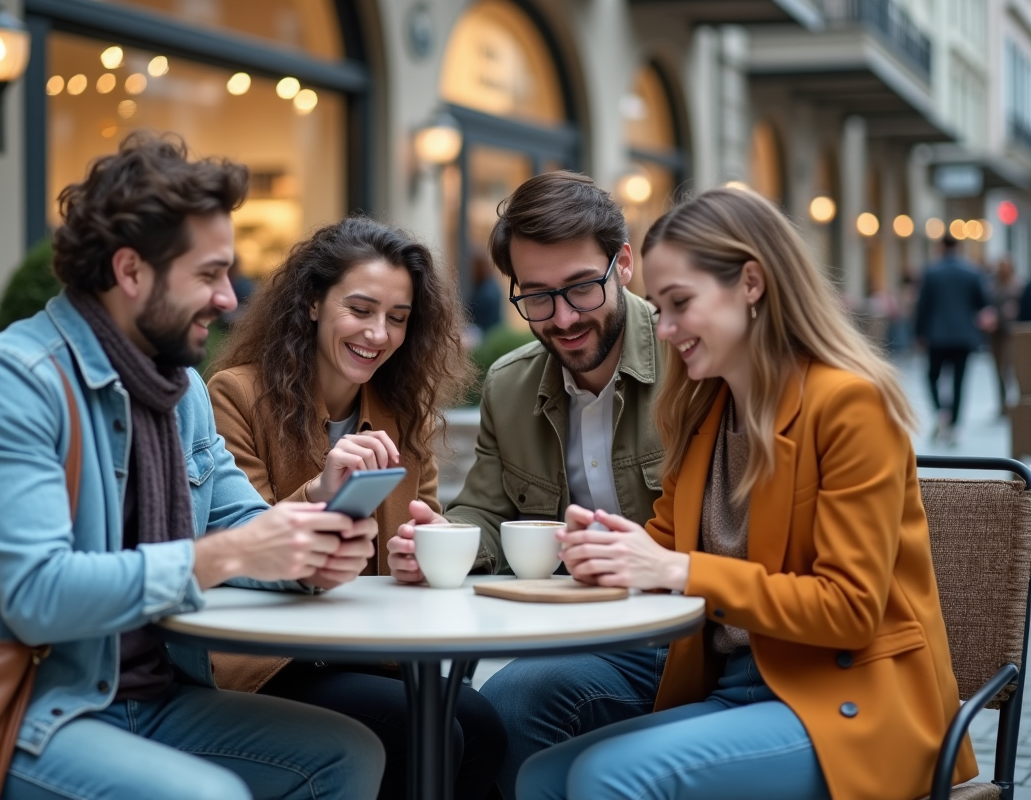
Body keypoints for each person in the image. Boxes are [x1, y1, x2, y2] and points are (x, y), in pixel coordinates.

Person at [0, 133, 386, 800]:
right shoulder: (13, 382)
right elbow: (37, 597)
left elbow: (239, 525)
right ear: (131, 271)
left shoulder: (178, 388)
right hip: (13, 712)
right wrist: (228, 554)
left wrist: (309, 546)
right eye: (209, 274)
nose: (230, 297)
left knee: (346, 753)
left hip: (154, 696)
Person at [517, 187, 976, 800]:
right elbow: (665, 544)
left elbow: (849, 609)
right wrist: (602, 548)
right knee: (541, 776)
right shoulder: (705, 409)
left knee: (609, 776)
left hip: (851, 703)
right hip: (739, 687)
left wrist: (678, 569)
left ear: (752, 284)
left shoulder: (848, 405)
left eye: (680, 304)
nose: (666, 328)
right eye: (659, 307)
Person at [386, 171, 669, 799]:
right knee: (466, 713)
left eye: (580, 289)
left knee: (513, 700)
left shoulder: (693, 364)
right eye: (536, 296)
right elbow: (483, 510)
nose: (562, 318)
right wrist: (440, 538)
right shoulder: (511, 384)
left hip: (690, 634)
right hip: (582, 638)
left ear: (623, 264)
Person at [203, 216, 500, 800]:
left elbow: (424, 525)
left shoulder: (403, 412)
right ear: (313, 302)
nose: (379, 334)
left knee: (484, 725)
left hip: (370, 651)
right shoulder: (236, 395)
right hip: (273, 660)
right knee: (427, 730)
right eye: (360, 310)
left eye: (397, 317)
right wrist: (319, 491)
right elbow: (238, 543)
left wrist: (424, 552)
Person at [915, 234, 991, 442]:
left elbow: (922, 307)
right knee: (959, 382)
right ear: (959, 247)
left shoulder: (931, 272)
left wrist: (919, 334)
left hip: (936, 336)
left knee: (932, 377)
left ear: (941, 247)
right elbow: (983, 304)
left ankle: (941, 412)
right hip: (963, 336)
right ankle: (954, 425)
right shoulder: (972, 271)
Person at [988, 256, 1022, 413]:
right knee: (998, 369)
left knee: (1010, 367)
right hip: (995, 333)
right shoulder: (992, 286)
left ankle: (1017, 400)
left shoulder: (1018, 285)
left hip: (1012, 332)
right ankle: (1003, 403)